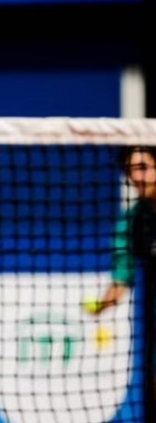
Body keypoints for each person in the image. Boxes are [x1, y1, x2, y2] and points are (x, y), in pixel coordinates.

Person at [89, 145, 156, 406]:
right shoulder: (131, 222)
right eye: (130, 171)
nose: (136, 177)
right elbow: (121, 276)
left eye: (143, 168)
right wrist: (102, 305)